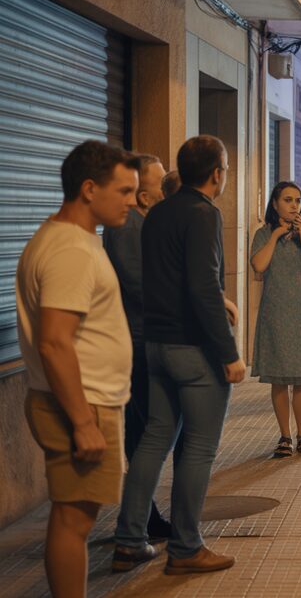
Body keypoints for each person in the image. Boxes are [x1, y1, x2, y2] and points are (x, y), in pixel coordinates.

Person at [115, 135, 246, 576]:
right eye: (225, 168)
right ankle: (186, 548)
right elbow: (203, 287)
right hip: (194, 350)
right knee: (199, 449)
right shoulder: (204, 213)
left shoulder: (157, 214)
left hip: (156, 346)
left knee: (153, 439)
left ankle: (130, 540)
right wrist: (228, 353)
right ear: (216, 173)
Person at [17, 141, 138, 596]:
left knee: (74, 518)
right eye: (124, 191)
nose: (132, 200)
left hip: (87, 398)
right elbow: (53, 342)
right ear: (89, 189)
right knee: (72, 521)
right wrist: (84, 422)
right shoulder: (72, 250)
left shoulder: (72, 239)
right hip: (81, 403)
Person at [102, 153, 171, 544]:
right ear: (144, 195)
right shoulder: (128, 225)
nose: (166, 190)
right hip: (137, 341)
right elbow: (138, 283)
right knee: (144, 431)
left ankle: (145, 515)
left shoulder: (141, 222)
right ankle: (139, 520)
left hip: (144, 337)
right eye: (160, 183)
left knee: (145, 430)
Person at [250, 181, 301, 458]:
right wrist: (276, 235)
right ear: (275, 204)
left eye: (298, 201)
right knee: (279, 378)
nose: (294, 205)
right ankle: (284, 436)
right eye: (288, 200)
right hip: (275, 312)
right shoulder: (263, 233)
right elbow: (258, 265)